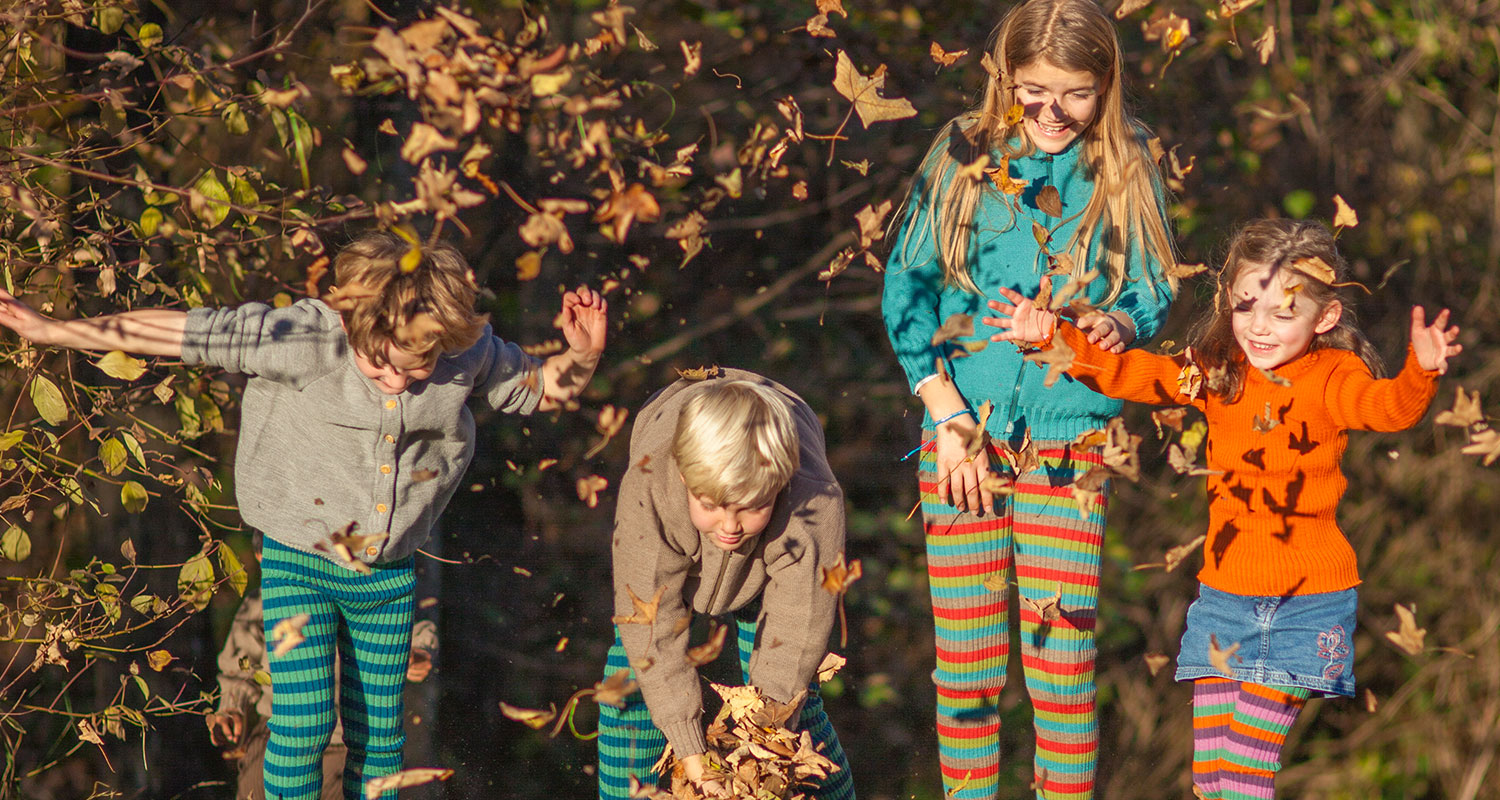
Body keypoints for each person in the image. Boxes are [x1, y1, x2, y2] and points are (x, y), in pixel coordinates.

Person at [0, 231, 607, 800]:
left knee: (380, 735)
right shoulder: (310, 338)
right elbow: (187, 332)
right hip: (301, 559)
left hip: (386, 575)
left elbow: (539, 386)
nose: (396, 381)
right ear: (354, 324)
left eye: (414, 368)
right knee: (306, 718)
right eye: (380, 364)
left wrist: (583, 355)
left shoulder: (460, 348)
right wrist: (56, 331)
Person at [986, 217, 1461, 799]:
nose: (1258, 328)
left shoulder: (1332, 376)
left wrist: (1421, 372)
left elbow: (1386, 409)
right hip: (1223, 602)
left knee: (1241, 778)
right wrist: (1053, 340)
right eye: (1245, 307)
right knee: (1210, 782)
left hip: (1302, 605)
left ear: (1325, 317)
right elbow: (1136, 374)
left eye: (1283, 314)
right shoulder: (1220, 369)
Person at [880, 0, 1176, 797]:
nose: (1050, 111)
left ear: (1105, 85)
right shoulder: (966, 152)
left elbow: (1149, 286)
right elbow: (905, 290)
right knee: (968, 673)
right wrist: (946, 415)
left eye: (1074, 93)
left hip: (1069, 452)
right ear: (1004, 79)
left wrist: (1116, 321)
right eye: (1032, 89)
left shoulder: (1127, 160)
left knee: (1061, 666)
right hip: (962, 443)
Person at [599, 370, 855, 800]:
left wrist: (764, 752)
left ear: (781, 483)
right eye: (713, 507)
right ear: (683, 478)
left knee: (795, 708)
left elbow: (797, 629)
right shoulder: (650, 485)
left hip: (771, 572)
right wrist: (693, 756)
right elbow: (651, 624)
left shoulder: (813, 500)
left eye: (751, 508)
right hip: (672, 559)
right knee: (628, 690)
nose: (731, 527)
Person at [207, 534, 438, 800]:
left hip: (345, 743)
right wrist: (231, 708)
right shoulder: (258, 607)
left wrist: (418, 651)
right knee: (257, 789)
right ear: (263, 557)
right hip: (274, 733)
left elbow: (415, 627)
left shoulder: (365, 594)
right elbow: (238, 669)